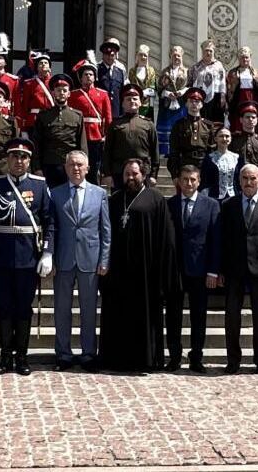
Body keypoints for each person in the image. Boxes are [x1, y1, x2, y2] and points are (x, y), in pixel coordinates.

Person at [0, 138, 55, 375]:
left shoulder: (40, 185)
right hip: (1, 256)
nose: (18, 161)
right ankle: (5, 357)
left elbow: (49, 221)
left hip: (28, 257)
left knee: (23, 307)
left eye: (23, 157)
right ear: (7, 159)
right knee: (4, 307)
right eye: (14, 156)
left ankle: (22, 356)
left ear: (29, 161)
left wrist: (48, 253)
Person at [98, 157, 180, 373]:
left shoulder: (156, 199)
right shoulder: (115, 199)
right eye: (127, 174)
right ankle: (116, 359)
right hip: (118, 271)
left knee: (145, 317)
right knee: (118, 315)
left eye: (134, 173)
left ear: (143, 175)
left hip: (146, 272)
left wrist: (163, 271)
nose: (130, 177)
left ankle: (145, 360)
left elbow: (166, 238)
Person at [49, 149, 110, 371]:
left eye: (80, 165)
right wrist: (50, 256)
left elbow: (105, 230)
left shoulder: (99, 193)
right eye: (72, 165)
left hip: (90, 259)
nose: (76, 168)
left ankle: (88, 353)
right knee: (61, 309)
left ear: (87, 168)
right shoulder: (54, 194)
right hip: (63, 259)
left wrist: (104, 259)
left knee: (89, 309)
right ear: (65, 168)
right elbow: (51, 228)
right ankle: (63, 353)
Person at [219, 163, 258, 375]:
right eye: (245, 178)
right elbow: (224, 239)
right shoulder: (229, 205)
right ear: (239, 181)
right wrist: (220, 269)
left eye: (252, 179)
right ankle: (233, 360)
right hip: (235, 267)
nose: (248, 182)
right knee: (232, 317)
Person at [165, 164, 220, 372]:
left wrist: (213, 270)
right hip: (176, 270)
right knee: (173, 315)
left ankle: (196, 356)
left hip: (200, 270)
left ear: (199, 182)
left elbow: (216, 240)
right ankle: (174, 356)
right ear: (178, 181)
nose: (188, 183)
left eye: (193, 179)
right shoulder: (169, 204)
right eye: (185, 179)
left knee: (199, 315)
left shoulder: (211, 205)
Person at [33, 74, 87, 188]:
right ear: (53, 93)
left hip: (70, 166)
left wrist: (83, 166)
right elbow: (37, 144)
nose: (61, 93)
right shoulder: (43, 115)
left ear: (69, 94)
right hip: (48, 165)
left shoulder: (77, 115)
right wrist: (37, 168)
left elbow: (82, 144)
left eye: (64, 90)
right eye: (58, 90)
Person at [104, 85, 158, 190]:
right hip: (119, 172)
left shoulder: (148, 124)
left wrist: (153, 174)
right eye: (128, 99)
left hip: (142, 172)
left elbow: (154, 151)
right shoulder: (115, 124)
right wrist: (107, 174)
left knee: (142, 204)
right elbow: (107, 151)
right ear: (123, 104)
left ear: (140, 102)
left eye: (135, 99)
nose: (132, 101)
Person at [68, 62, 114, 179]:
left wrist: (107, 134)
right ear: (81, 78)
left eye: (91, 74)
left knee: (94, 166)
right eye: (85, 74)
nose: (88, 76)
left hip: (96, 134)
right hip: (79, 133)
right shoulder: (73, 95)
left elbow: (108, 117)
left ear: (95, 77)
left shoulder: (103, 94)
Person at [168, 88, 216, 182]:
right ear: (186, 104)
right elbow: (174, 151)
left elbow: (212, 150)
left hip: (203, 166)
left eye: (197, 101)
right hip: (185, 164)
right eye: (191, 101)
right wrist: (175, 174)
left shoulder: (208, 125)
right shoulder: (179, 125)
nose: (194, 104)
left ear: (202, 104)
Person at [156, 46, 189, 154]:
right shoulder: (164, 72)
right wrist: (167, 93)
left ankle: (180, 151)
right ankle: (165, 153)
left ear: (182, 56)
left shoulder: (187, 72)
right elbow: (159, 88)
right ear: (170, 56)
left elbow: (191, 86)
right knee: (167, 130)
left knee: (180, 128)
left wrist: (183, 92)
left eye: (178, 55)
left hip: (181, 105)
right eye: (174, 55)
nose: (176, 58)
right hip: (167, 106)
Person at [189, 41, 227, 123]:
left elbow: (222, 83)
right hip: (200, 97)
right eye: (206, 50)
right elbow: (191, 84)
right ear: (202, 51)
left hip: (216, 98)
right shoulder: (196, 67)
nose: (208, 53)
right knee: (201, 121)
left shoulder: (219, 66)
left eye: (210, 51)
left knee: (216, 122)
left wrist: (223, 96)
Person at [200, 126, 240, 202]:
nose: (224, 139)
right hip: (214, 197)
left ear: (231, 139)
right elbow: (204, 180)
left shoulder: (237, 158)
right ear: (216, 139)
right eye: (221, 136)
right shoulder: (209, 158)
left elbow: (239, 180)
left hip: (234, 197)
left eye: (227, 136)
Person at [224, 46, 258, 113]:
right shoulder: (233, 72)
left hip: (251, 98)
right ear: (239, 59)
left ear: (250, 58)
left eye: (246, 57)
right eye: (242, 57)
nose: (245, 59)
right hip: (238, 99)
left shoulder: (255, 72)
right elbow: (228, 88)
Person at [126, 45, 157, 122]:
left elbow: (153, 88)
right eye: (141, 55)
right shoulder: (132, 71)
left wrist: (143, 92)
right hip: (134, 103)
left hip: (147, 105)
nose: (143, 57)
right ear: (137, 55)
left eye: (145, 55)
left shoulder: (151, 71)